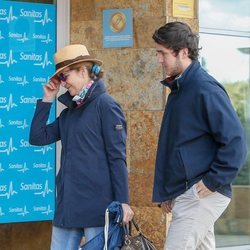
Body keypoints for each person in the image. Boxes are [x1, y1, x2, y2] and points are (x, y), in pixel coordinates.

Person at [151, 21, 247, 250]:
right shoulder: (180, 88)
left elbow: (236, 143)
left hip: (201, 193)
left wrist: (213, 180)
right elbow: (176, 145)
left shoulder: (205, 88)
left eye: (163, 53)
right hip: (189, 191)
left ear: (183, 52)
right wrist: (168, 189)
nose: (159, 60)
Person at [29, 44, 134, 250]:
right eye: (59, 78)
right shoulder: (69, 113)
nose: (62, 83)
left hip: (97, 208)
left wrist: (123, 201)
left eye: (64, 76)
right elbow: (37, 137)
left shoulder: (106, 105)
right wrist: (47, 100)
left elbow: (117, 157)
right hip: (67, 207)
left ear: (83, 71)